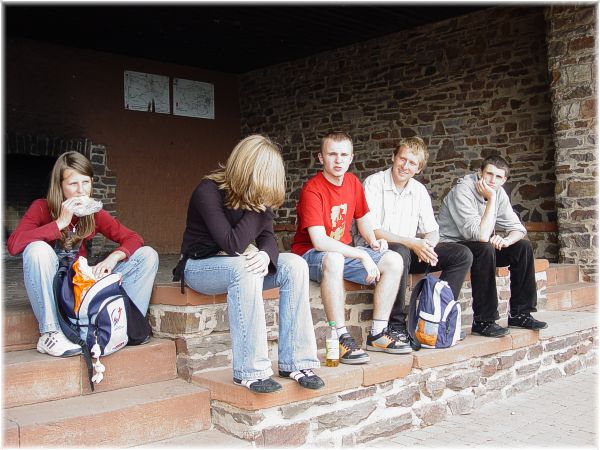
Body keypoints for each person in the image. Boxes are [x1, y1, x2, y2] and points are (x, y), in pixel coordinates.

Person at [173, 134, 323, 394]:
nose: (270, 186)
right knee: (243, 267)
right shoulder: (208, 191)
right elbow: (232, 244)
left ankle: (297, 362)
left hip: (237, 267)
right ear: (250, 170)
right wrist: (259, 209)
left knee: (295, 265)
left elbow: (268, 240)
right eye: (267, 178)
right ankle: (250, 370)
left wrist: (265, 255)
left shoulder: (257, 199)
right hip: (199, 267)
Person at [7, 151, 159, 357]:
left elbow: (133, 238)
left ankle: (124, 326)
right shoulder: (41, 207)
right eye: (73, 184)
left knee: (147, 255)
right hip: (52, 288)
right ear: (60, 186)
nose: (81, 190)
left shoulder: (92, 213)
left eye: (86, 182)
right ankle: (50, 333)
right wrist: (59, 223)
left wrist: (113, 258)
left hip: (80, 287)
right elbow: (14, 244)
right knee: (37, 249)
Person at [291, 131, 406, 365]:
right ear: (321, 158)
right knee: (334, 258)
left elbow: (363, 220)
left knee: (393, 260)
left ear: (351, 157)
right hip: (310, 255)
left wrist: (373, 241)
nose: (338, 160)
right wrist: (362, 254)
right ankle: (340, 337)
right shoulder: (312, 189)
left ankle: (378, 333)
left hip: (343, 253)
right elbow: (319, 241)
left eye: (344, 155)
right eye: (332, 154)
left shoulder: (353, 182)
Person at [362, 137, 473, 348]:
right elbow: (373, 231)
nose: (405, 166)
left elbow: (432, 231)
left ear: (419, 169)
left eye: (412, 163)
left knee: (461, 254)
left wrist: (426, 247)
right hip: (377, 251)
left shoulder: (419, 190)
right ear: (393, 157)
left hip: (409, 251)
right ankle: (395, 325)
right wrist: (414, 243)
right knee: (400, 252)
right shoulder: (374, 183)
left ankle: (435, 317)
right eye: (402, 159)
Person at [437, 155, 548, 337]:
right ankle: (484, 321)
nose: (492, 180)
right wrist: (492, 199)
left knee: (522, 247)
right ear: (480, 172)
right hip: (452, 247)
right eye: (489, 174)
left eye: (498, 177)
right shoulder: (463, 191)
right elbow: (479, 236)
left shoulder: (498, 192)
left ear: (504, 180)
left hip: (479, 246)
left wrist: (506, 241)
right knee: (485, 248)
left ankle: (520, 314)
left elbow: (518, 229)